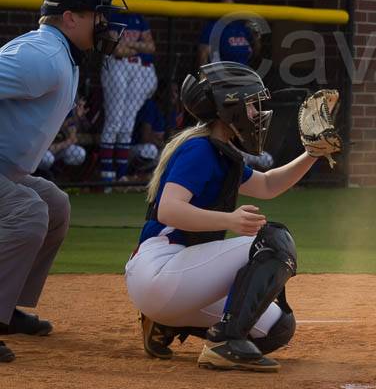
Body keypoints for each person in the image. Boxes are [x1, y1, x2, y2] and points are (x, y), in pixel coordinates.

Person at [124, 62, 326, 372]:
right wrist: (229, 221)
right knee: (274, 240)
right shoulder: (200, 149)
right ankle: (225, 342)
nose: (259, 114)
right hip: (159, 266)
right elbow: (170, 209)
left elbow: (269, 184)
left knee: (277, 329)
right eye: (252, 105)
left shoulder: (221, 153)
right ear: (228, 108)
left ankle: (166, 325)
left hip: (176, 280)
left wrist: (313, 152)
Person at [0, 0, 124, 363]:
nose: (103, 24)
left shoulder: (60, 55)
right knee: (28, 211)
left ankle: (8, 309)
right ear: (70, 18)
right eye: (96, 15)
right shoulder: (44, 57)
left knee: (54, 205)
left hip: (8, 168)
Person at [99, 0, 157, 183]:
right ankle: (106, 176)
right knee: (114, 121)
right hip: (116, 67)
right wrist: (137, 46)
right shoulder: (112, 13)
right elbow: (116, 50)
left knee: (127, 122)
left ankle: (121, 176)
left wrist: (130, 46)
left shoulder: (139, 17)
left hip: (137, 71)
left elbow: (151, 47)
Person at [129, 82, 183, 176]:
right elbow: (145, 137)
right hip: (136, 148)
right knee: (150, 150)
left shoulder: (172, 111)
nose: (174, 95)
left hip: (158, 147)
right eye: (170, 92)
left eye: (176, 92)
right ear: (161, 93)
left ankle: (151, 175)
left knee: (174, 153)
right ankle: (135, 173)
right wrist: (161, 143)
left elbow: (170, 137)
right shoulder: (151, 106)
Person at [196, 0, 257, 69]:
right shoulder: (212, 28)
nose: (230, 9)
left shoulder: (241, 27)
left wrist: (256, 36)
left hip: (244, 72)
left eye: (232, 6)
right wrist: (204, 76)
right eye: (226, 6)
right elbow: (203, 57)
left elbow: (254, 53)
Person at [38, 97, 90, 174]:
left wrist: (76, 118)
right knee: (48, 159)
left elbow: (73, 138)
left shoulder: (68, 109)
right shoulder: (44, 108)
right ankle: (41, 174)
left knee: (80, 153)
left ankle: (60, 171)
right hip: (42, 150)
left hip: (59, 147)